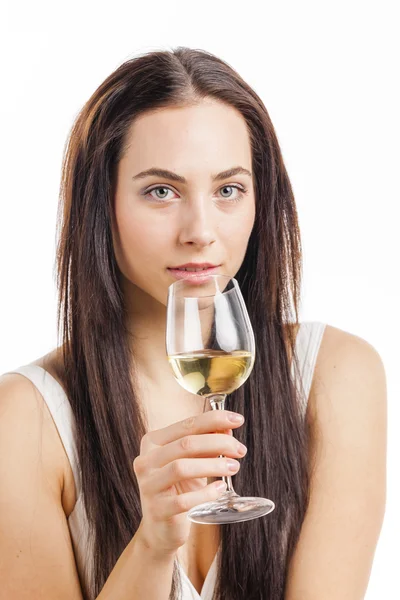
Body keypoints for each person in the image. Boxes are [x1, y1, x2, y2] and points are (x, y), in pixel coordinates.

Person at [0, 47, 387, 600]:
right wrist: (153, 544)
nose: (200, 230)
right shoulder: (24, 420)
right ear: (99, 205)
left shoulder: (337, 377)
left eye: (228, 189)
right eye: (162, 191)